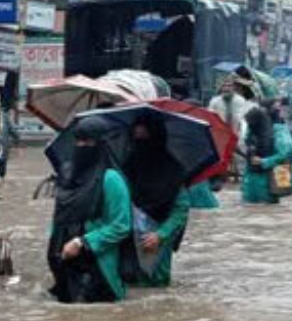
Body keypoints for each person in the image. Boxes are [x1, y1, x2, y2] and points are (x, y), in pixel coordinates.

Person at [47, 115, 132, 304]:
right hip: (64, 262)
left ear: (101, 144)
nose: (81, 145)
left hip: (98, 267)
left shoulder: (111, 180)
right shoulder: (68, 175)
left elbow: (121, 225)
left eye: (88, 141)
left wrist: (82, 242)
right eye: (78, 140)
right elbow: (59, 216)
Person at [120, 115, 190, 288]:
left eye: (145, 138)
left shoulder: (173, 170)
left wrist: (160, 235)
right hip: (128, 240)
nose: (141, 144)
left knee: (155, 286)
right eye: (136, 139)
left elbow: (181, 210)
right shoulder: (127, 165)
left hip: (158, 241)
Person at [242, 105, 292, 204]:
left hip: (269, 178)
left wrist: (264, 161)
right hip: (250, 177)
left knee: (267, 207)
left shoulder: (278, 130)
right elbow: (248, 145)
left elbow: (285, 153)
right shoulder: (252, 130)